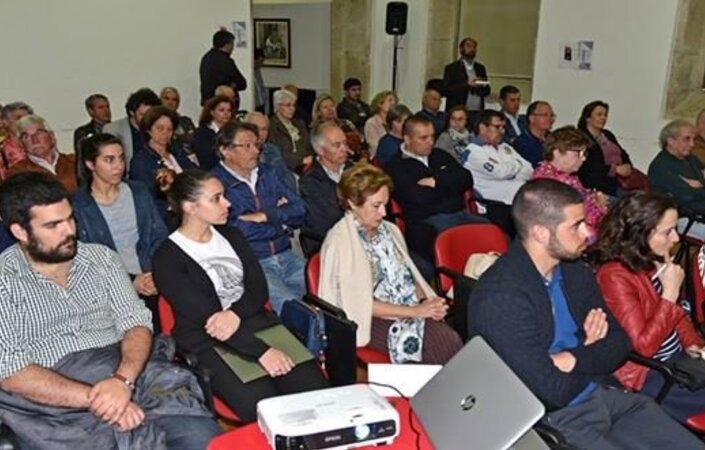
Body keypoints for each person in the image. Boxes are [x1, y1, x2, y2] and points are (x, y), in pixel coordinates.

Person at [468, 178, 705, 450]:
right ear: (541, 233)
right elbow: (552, 391)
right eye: (576, 225)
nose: (589, 232)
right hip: (556, 418)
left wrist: (573, 357)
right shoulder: (501, 297)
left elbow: (620, 344)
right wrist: (590, 349)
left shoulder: (573, 271)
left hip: (605, 394)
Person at [0, 172, 221, 449]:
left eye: (70, 219)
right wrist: (102, 398)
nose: (69, 231)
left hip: (128, 371)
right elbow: (12, 372)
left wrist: (122, 381)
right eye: (53, 225)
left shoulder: (101, 259)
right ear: (20, 232)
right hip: (58, 403)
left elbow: (136, 324)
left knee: (202, 437)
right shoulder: (4, 281)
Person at [152, 169, 327, 423]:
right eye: (216, 198)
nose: (228, 203)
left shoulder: (231, 235)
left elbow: (258, 288)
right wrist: (262, 352)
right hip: (208, 340)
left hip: (256, 323)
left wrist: (234, 313)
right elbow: (208, 319)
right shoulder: (167, 257)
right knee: (268, 410)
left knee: (318, 394)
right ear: (190, 207)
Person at [319, 163, 462, 364]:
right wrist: (415, 312)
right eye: (376, 206)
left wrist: (427, 301)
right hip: (369, 319)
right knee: (443, 342)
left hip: (406, 308)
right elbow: (358, 304)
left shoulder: (389, 230)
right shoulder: (340, 242)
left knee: (447, 338)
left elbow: (408, 278)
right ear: (352, 203)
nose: (384, 213)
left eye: (385, 204)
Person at [592, 191, 705, 424]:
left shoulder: (652, 258)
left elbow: (679, 317)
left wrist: (693, 344)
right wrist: (670, 294)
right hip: (653, 374)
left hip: (681, 361)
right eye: (667, 231)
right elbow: (644, 348)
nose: (675, 238)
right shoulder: (614, 276)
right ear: (640, 233)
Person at [73, 134, 167, 331]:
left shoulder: (138, 191)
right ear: (90, 164)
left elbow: (159, 235)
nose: (118, 166)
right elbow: (83, 257)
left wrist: (153, 274)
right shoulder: (78, 205)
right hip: (107, 288)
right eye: (109, 160)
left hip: (150, 277)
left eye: (121, 158)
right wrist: (130, 281)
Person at [212, 122, 307, 314]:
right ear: (225, 150)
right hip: (254, 262)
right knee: (294, 309)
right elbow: (233, 230)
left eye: (256, 145)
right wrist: (281, 224)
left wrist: (266, 215)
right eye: (247, 146)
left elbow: (300, 209)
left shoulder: (268, 173)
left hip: (286, 254)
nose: (255, 151)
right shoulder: (215, 184)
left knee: (326, 291)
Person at [463, 110, 532, 235]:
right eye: (497, 127)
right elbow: (501, 172)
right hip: (494, 206)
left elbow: (529, 170)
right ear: (482, 128)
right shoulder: (473, 152)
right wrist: (516, 165)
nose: (502, 131)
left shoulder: (505, 147)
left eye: (503, 127)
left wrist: (511, 171)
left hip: (517, 204)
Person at [532, 126, 608, 236]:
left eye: (584, 153)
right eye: (578, 153)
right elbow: (582, 220)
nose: (583, 158)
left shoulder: (549, 175)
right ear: (557, 152)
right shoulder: (556, 184)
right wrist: (600, 207)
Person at [129, 106, 194, 223]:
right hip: (165, 217)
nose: (165, 133)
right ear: (149, 130)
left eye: (169, 129)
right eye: (160, 128)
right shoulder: (141, 161)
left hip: (190, 208)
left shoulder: (177, 153)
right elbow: (148, 198)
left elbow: (195, 175)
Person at [299, 123, 352, 255]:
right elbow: (321, 225)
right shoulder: (309, 183)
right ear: (320, 150)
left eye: (345, 143)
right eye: (337, 145)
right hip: (328, 247)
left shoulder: (355, 172)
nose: (344, 149)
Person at [648, 119, 705, 240]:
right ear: (670, 141)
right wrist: (699, 186)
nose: (692, 144)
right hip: (682, 219)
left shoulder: (691, 159)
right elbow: (688, 196)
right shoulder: (661, 166)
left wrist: (699, 185)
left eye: (693, 139)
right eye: (687, 139)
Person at [576, 100, 633, 197]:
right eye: (599, 114)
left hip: (617, 183)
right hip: (596, 187)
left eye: (605, 115)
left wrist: (627, 165)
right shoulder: (581, 137)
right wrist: (615, 169)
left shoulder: (608, 134)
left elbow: (623, 154)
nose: (603, 118)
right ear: (588, 118)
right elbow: (588, 166)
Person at [8, 115, 78, 193]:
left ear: (51, 136)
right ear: (21, 144)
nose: (34, 140)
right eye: (26, 137)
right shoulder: (18, 171)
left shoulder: (74, 161)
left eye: (38, 133)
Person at [103, 88, 161, 168]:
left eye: (150, 115)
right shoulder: (113, 129)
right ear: (132, 112)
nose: (147, 118)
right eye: (142, 114)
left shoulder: (158, 128)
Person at [245, 111, 296, 192]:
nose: (260, 133)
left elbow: (286, 180)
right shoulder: (239, 153)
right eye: (255, 128)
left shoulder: (272, 150)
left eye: (264, 129)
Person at [268, 89, 313, 173]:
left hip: (306, 167)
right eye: (288, 105)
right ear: (278, 106)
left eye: (293, 105)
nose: (292, 109)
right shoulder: (271, 126)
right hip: (284, 169)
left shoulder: (300, 124)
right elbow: (275, 153)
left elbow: (309, 147)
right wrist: (301, 160)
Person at [442, 37, 490, 116]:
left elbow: (487, 91)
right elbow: (446, 90)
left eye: (474, 47)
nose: (472, 49)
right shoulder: (452, 68)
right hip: (458, 111)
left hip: (477, 111)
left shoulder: (480, 68)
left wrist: (482, 84)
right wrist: (467, 84)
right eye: (469, 46)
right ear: (461, 49)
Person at [199, 29, 247, 104]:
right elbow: (242, 83)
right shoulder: (226, 61)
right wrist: (232, 85)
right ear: (227, 45)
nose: (233, 48)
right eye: (232, 44)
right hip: (222, 102)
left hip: (207, 101)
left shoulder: (206, 58)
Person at [310, 94, 363, 160]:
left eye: (332, 106)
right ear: (318, 112)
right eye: (325, 107)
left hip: (354, 158)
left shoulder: (346, 123)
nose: (329, 109)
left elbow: (361, 141)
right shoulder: (316, 130)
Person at [192, 95, 235, 170]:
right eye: (222, 110)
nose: (226, 113)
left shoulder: (235, 131)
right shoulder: (202, 132)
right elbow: (206, 158)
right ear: (212, 112)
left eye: (229, 110)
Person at [514, 100, 556, 168]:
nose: (550, 119)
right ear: (531, 118)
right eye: (545, 115)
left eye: (552, 115)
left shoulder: (555, 139)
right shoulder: (522, 142)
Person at [160, 87, 197, 159]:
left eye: (174, 100)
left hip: (190, 157)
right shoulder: (155, 122)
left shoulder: (186, 121)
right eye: (167, 98)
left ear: (178, 104)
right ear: (160, 101)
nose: (170, 102)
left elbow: (194, 140)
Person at [0, 102, 33, 174]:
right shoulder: (2, 151)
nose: (24, 122)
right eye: (18, 118)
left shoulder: (40, 146)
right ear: (5, 122)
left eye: (28, 118)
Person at [364, 90, 397, 159]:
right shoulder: (371, 123)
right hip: (378, 158)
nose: (393, 103)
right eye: (390, 100)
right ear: (380, 104)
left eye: (395, 101)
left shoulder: (395, 122)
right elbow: (374, 147)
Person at [253, 48, 270, 115]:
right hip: (253, 105)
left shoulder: (258, 71)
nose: (261, 64)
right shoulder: (248, 72)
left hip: (261, 105)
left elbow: (261, 88)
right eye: (259, 62)